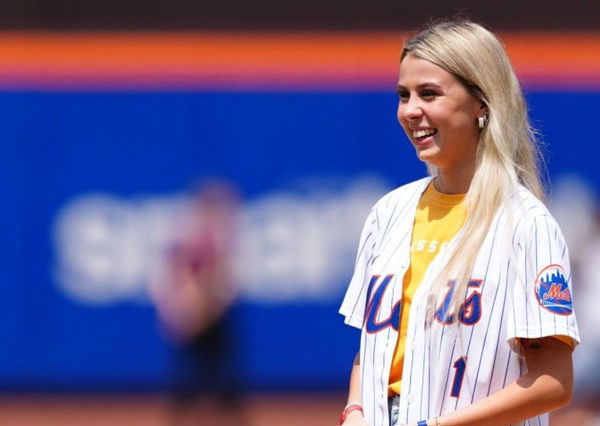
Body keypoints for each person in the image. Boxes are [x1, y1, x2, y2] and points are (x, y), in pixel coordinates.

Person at [338, 19, 579, 426]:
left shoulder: (525, 224)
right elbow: (373, 349)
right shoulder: (389, 212)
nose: (410, 110)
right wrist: (355, 410)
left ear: (481, 103)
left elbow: (553, 381)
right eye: (403, 95)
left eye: (429, 94)